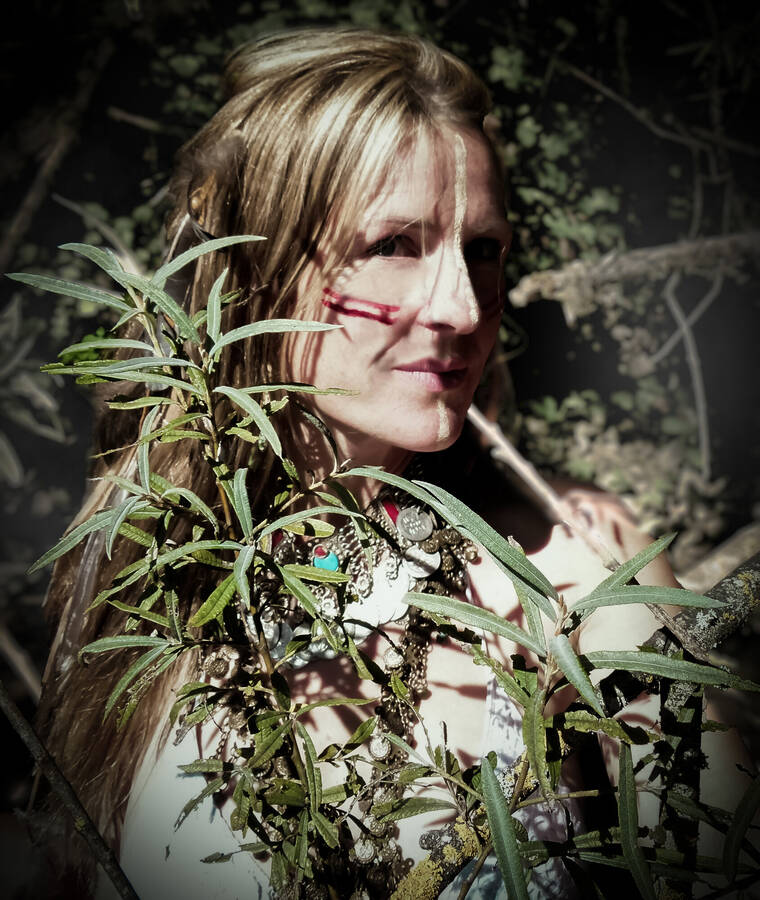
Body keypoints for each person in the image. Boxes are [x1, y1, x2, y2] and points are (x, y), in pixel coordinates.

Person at [34, 27, 753, 900]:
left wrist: (630, 652)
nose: (462, 307)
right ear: (254, 268)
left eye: (482, 249)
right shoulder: (152, 577)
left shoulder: (565, 565)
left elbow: (718, 862)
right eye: (393, 245)